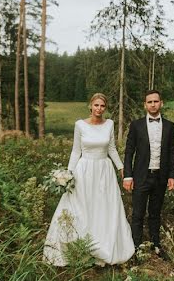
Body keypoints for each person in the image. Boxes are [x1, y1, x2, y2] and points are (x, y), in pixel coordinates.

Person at [44, 93, 135, 266]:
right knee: (81, 206)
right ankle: (78, 248)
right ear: (90, 106)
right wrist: (68, 174)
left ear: (105, 108)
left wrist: (121, 167)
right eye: (96, 105)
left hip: (104, 171)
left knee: (103, 208)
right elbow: (75, 151)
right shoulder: (80, 125)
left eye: (102, 106)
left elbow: (112, 149)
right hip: (84, 170)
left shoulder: (109, 124)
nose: (99, 109)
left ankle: (102, 247)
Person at [122, 89, 174, 258]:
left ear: (161, 103)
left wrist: (172, 176)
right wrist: (128, 176)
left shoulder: (169, 126)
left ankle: (156, 245)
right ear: (145, 105)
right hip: (140, 176)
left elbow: (172, 151)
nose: (153, 104)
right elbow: (129, 151)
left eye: (156, 101)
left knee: (155, 213)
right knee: (138, 213)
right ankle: (136, 248)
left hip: (160, 177)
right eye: (150, 102)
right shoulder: (136, 125)